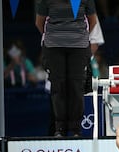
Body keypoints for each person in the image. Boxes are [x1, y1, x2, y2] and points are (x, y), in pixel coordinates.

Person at [35, 0, 97, 137]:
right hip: (53, 47)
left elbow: (93, 21)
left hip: (79, 47)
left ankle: (76, 130)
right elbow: (39, 23)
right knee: (58, 87)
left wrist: (79, 35)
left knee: (76, 87)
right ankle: (60, 129)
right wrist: (53, 37)